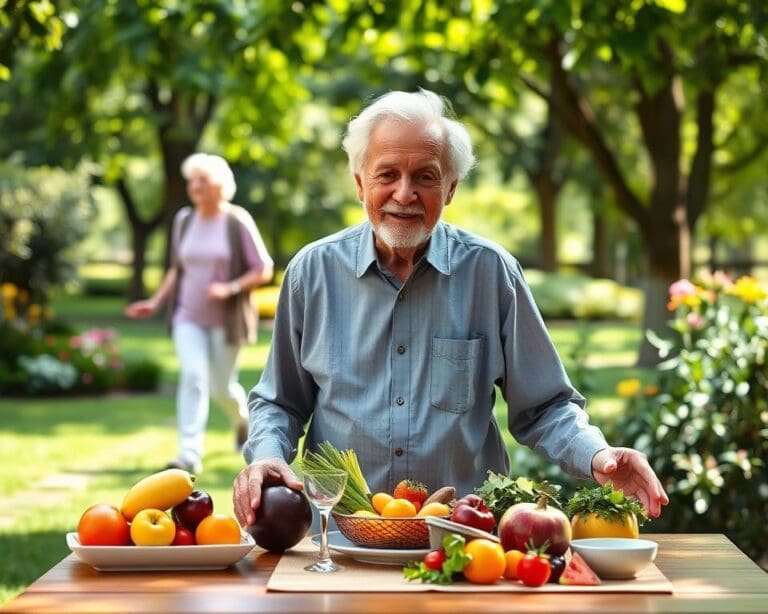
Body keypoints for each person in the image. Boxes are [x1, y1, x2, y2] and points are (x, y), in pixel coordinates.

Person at [232, 90, 668, 527]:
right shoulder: (313, 272)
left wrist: (597, 455)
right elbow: (280, 401)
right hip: (341, 539)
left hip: (463, 540)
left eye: (425, 176)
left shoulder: (491, 273)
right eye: (387, 174)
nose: (404, 193)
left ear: (451, 188)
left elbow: (545, 406)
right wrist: (267, 456)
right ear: (360, 182)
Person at [125, 153, 273, 474]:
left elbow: (263, 268)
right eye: (192, 180)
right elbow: (177, 269)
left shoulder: (237, 221)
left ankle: (242, 421)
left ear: (220, 185)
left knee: (221, 387)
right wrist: (156, 302)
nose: (195, 186)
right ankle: (189, 453)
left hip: (226, 320)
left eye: (202, 180)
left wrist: (230, 288)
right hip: (187, 316)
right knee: (193, 377)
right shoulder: (184, 220)